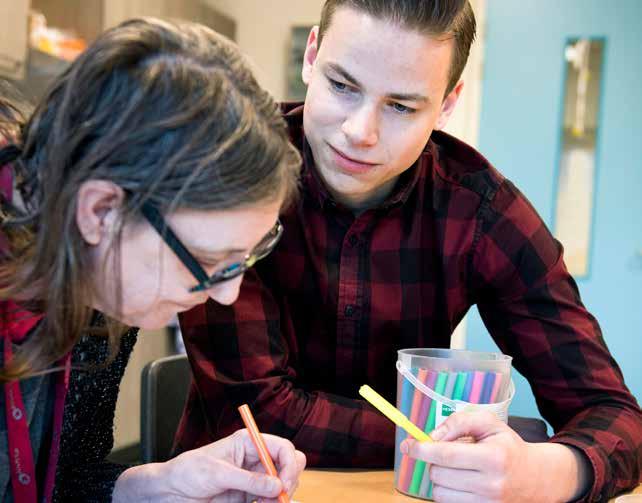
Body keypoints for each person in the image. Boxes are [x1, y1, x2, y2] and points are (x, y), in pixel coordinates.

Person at [176, 1, 642, 501]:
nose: (360, 132)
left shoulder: (483, 211)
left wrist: (543, 469)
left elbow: (614, 416)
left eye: (401, 106)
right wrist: (458, 439)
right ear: (312, 56)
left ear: (446, 104)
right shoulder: (230, 177)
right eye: (342, 85)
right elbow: (258, 411)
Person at [0, 18, 306, 502]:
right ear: (101, 211)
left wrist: (162, 484)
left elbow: (65, 481)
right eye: (208, 260)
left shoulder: (101, 286)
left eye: (245, 257)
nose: (226, 293)